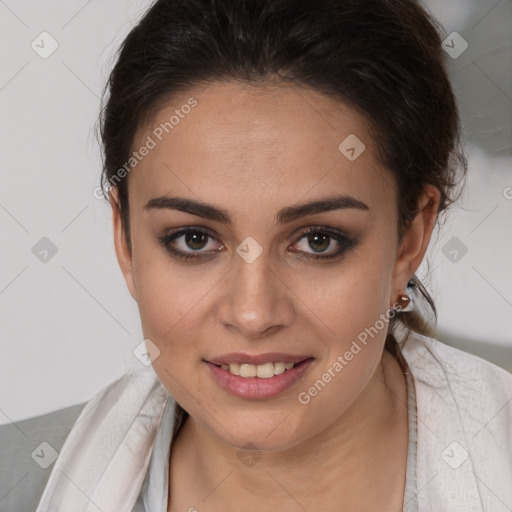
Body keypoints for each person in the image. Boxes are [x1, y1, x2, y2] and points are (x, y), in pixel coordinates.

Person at [1, 0, 511, 511]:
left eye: (318, 240)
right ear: (125, 238)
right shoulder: (18, 482)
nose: (252, 314)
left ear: (410, 239)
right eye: (194, 240)